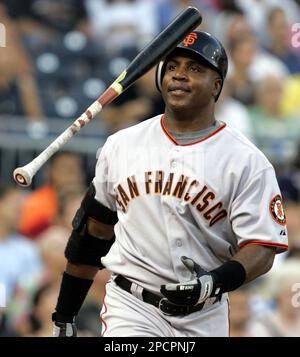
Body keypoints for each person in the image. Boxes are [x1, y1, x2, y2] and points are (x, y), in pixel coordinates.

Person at [52, 31, 288, 337]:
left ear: (217, 86)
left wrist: (212, 283)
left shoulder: (246, 160)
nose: (179, 75)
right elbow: (92, 233)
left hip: (204, 315)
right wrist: (65, 314)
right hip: (132, 307)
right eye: (172, 65)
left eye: (194, 69)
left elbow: (262, 246)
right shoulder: (122, 144)